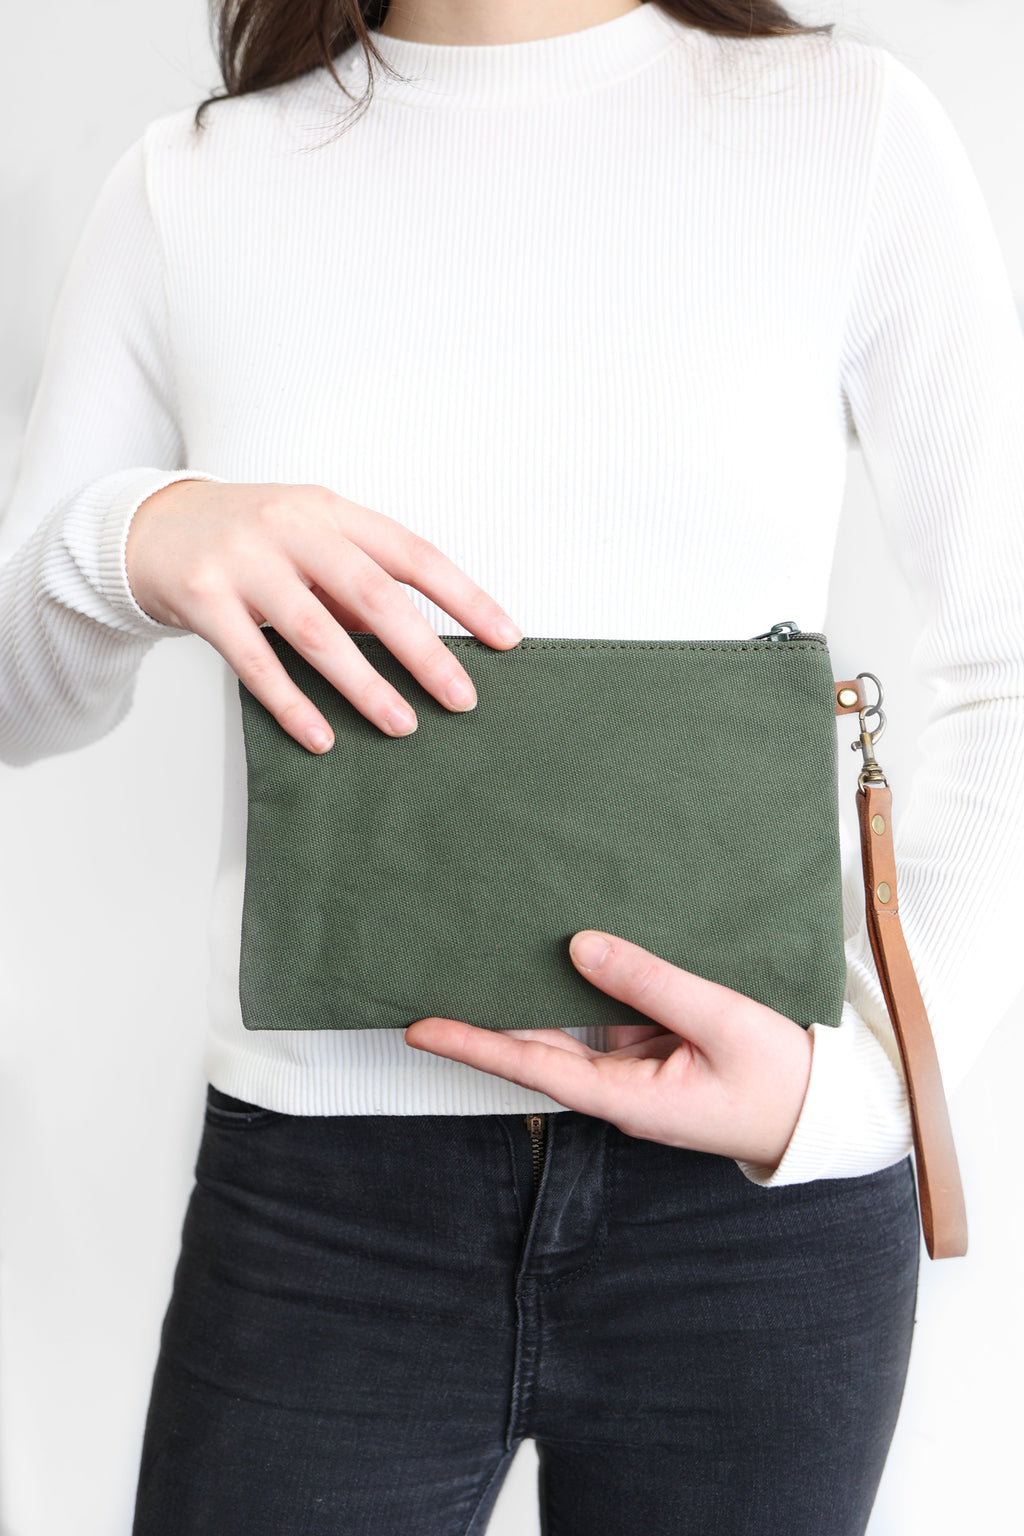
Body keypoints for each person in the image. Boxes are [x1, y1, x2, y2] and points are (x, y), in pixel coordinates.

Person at [1, 1, 1022, 1531]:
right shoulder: (190, 186)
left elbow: (1008, 658)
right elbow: (19, 706)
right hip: (326, 1215)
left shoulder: (848, 127)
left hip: (755, 1208)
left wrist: (858, 1087)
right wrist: (137, 537)